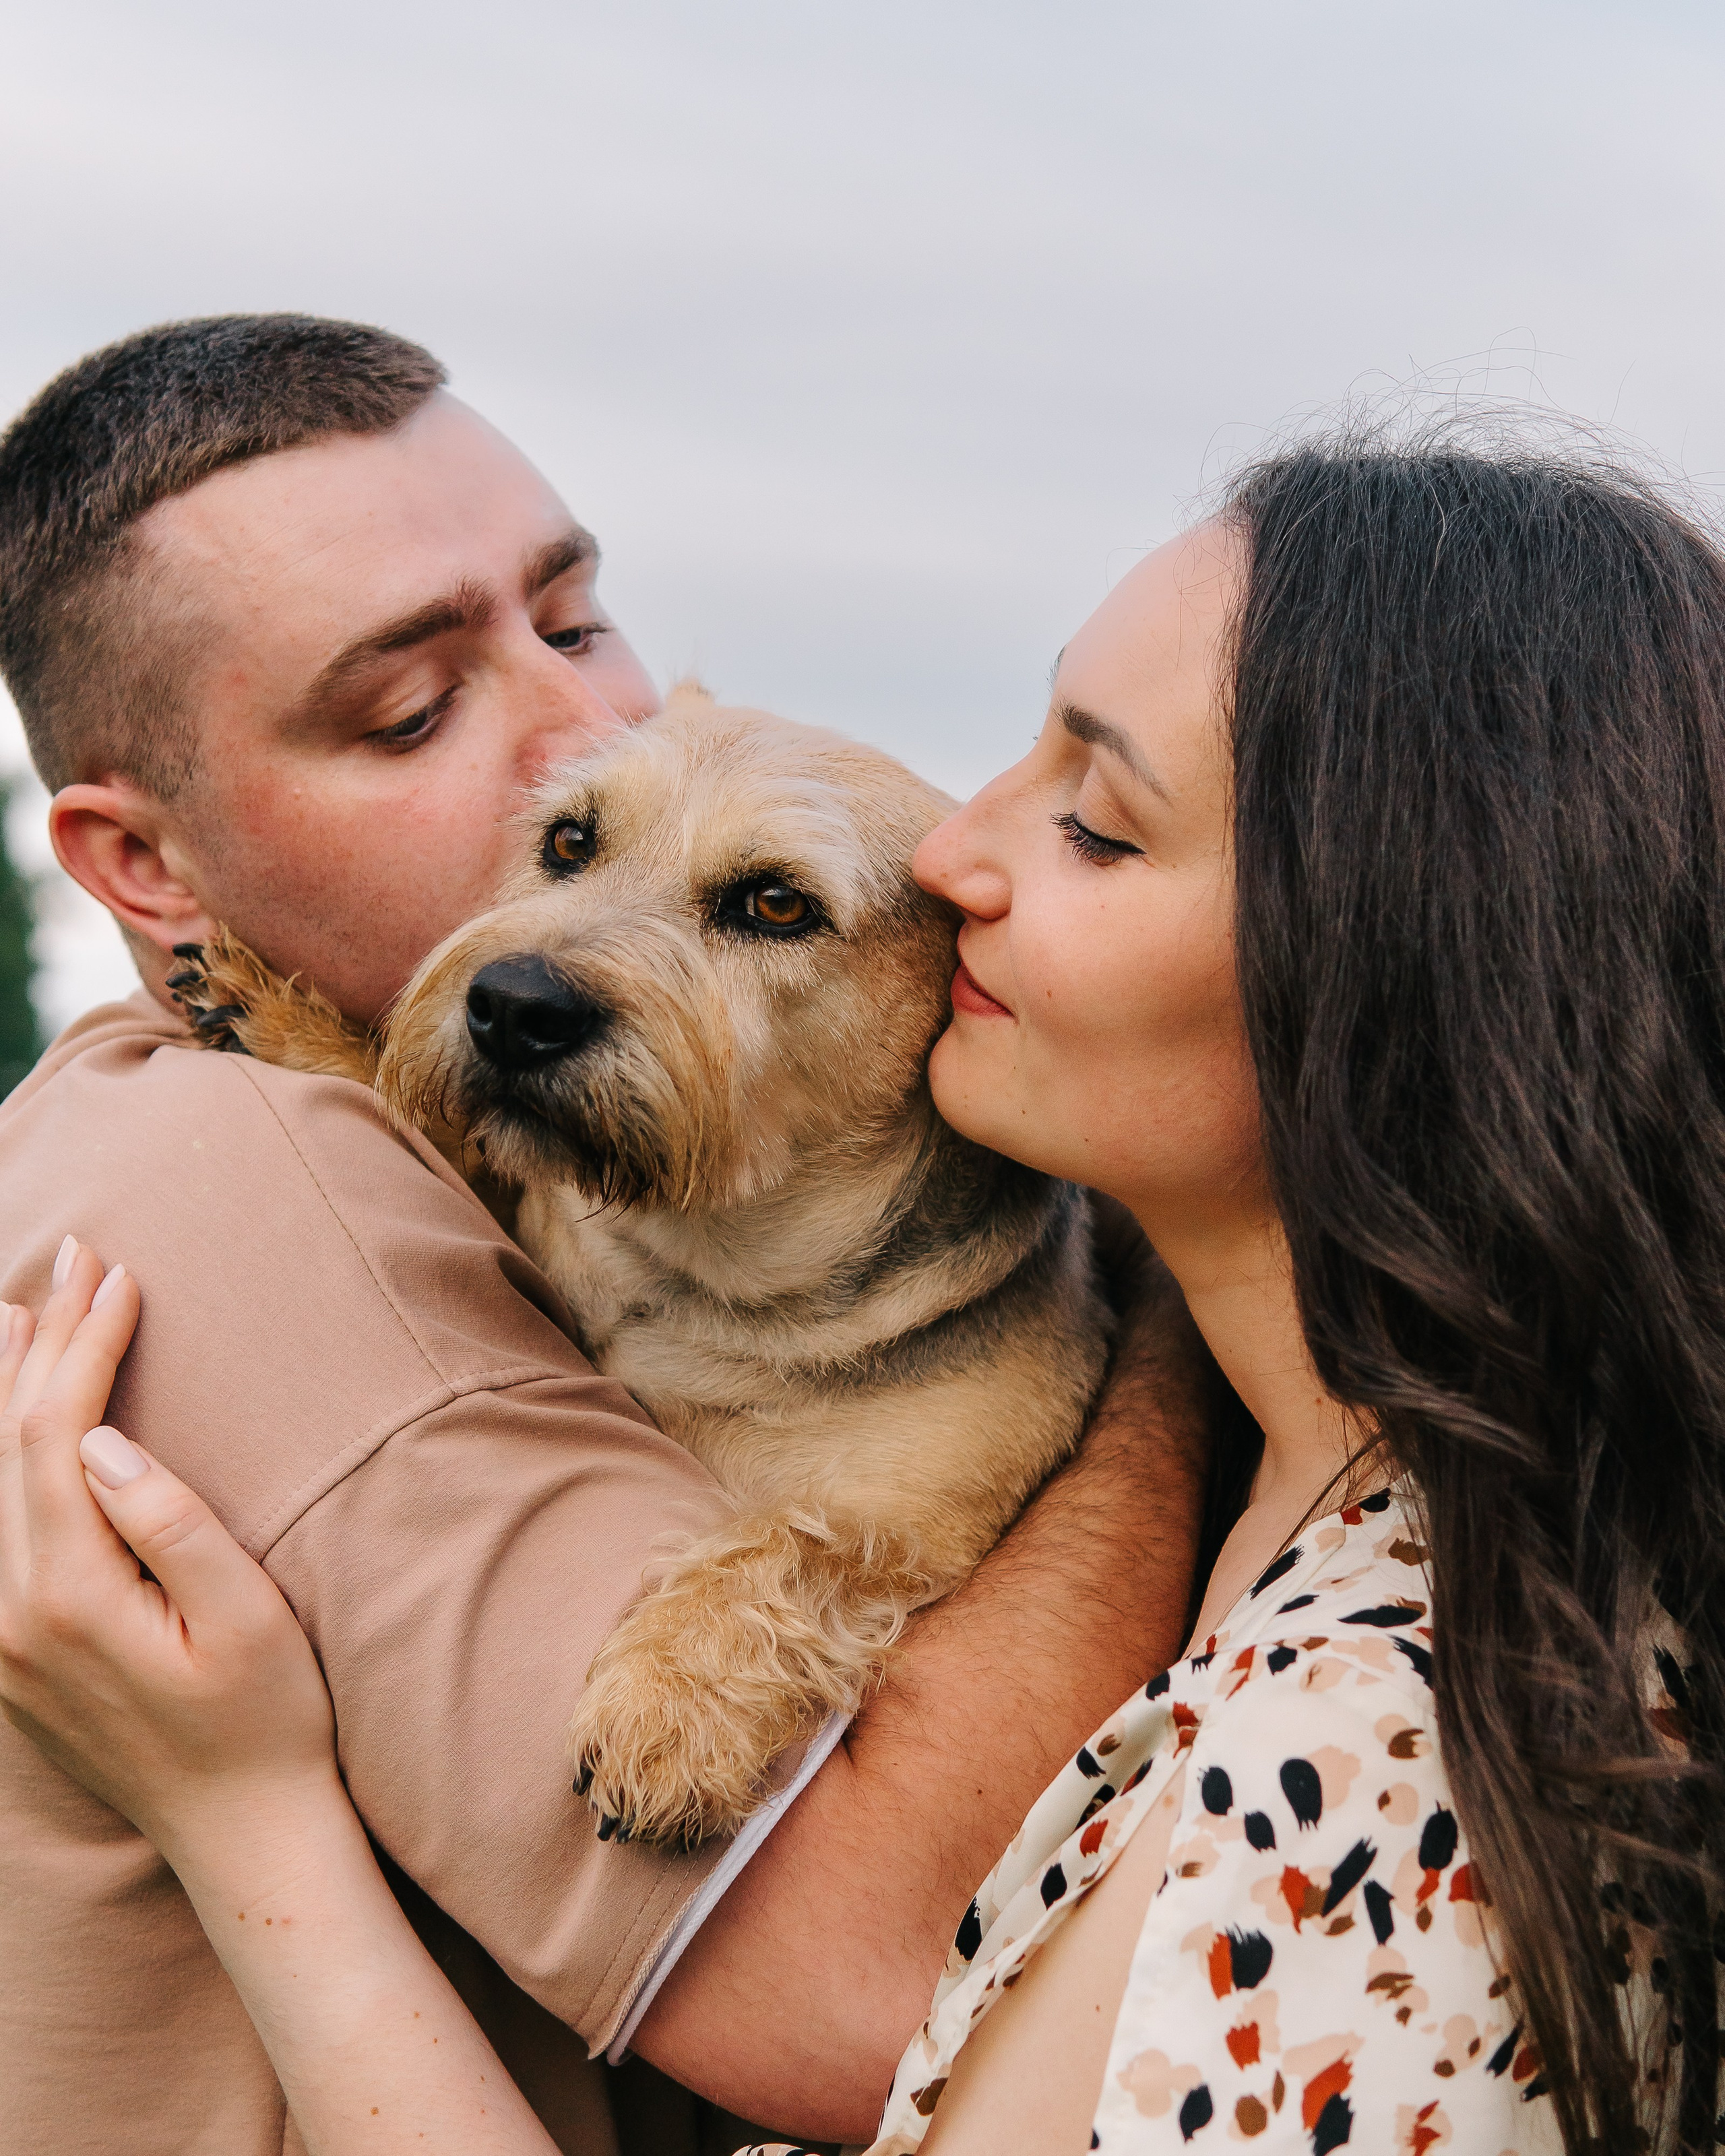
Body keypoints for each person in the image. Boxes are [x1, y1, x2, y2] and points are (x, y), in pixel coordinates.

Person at [5, 422, 1723, 2156]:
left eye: (1095, 824)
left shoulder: (1365, 1742)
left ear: (1372, 970)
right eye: (412, 712)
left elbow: (876, 1994)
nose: (955, 855)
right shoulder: (1464, 1556)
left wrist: (249, 1816)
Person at [0, 315, 1210, 2156]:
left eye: (574, 624)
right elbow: (883, 1998)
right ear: (146, 873)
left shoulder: (297, 1134)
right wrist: (1192, 1344)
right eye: (410, 714)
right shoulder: (255, 1195)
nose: (586, 730)